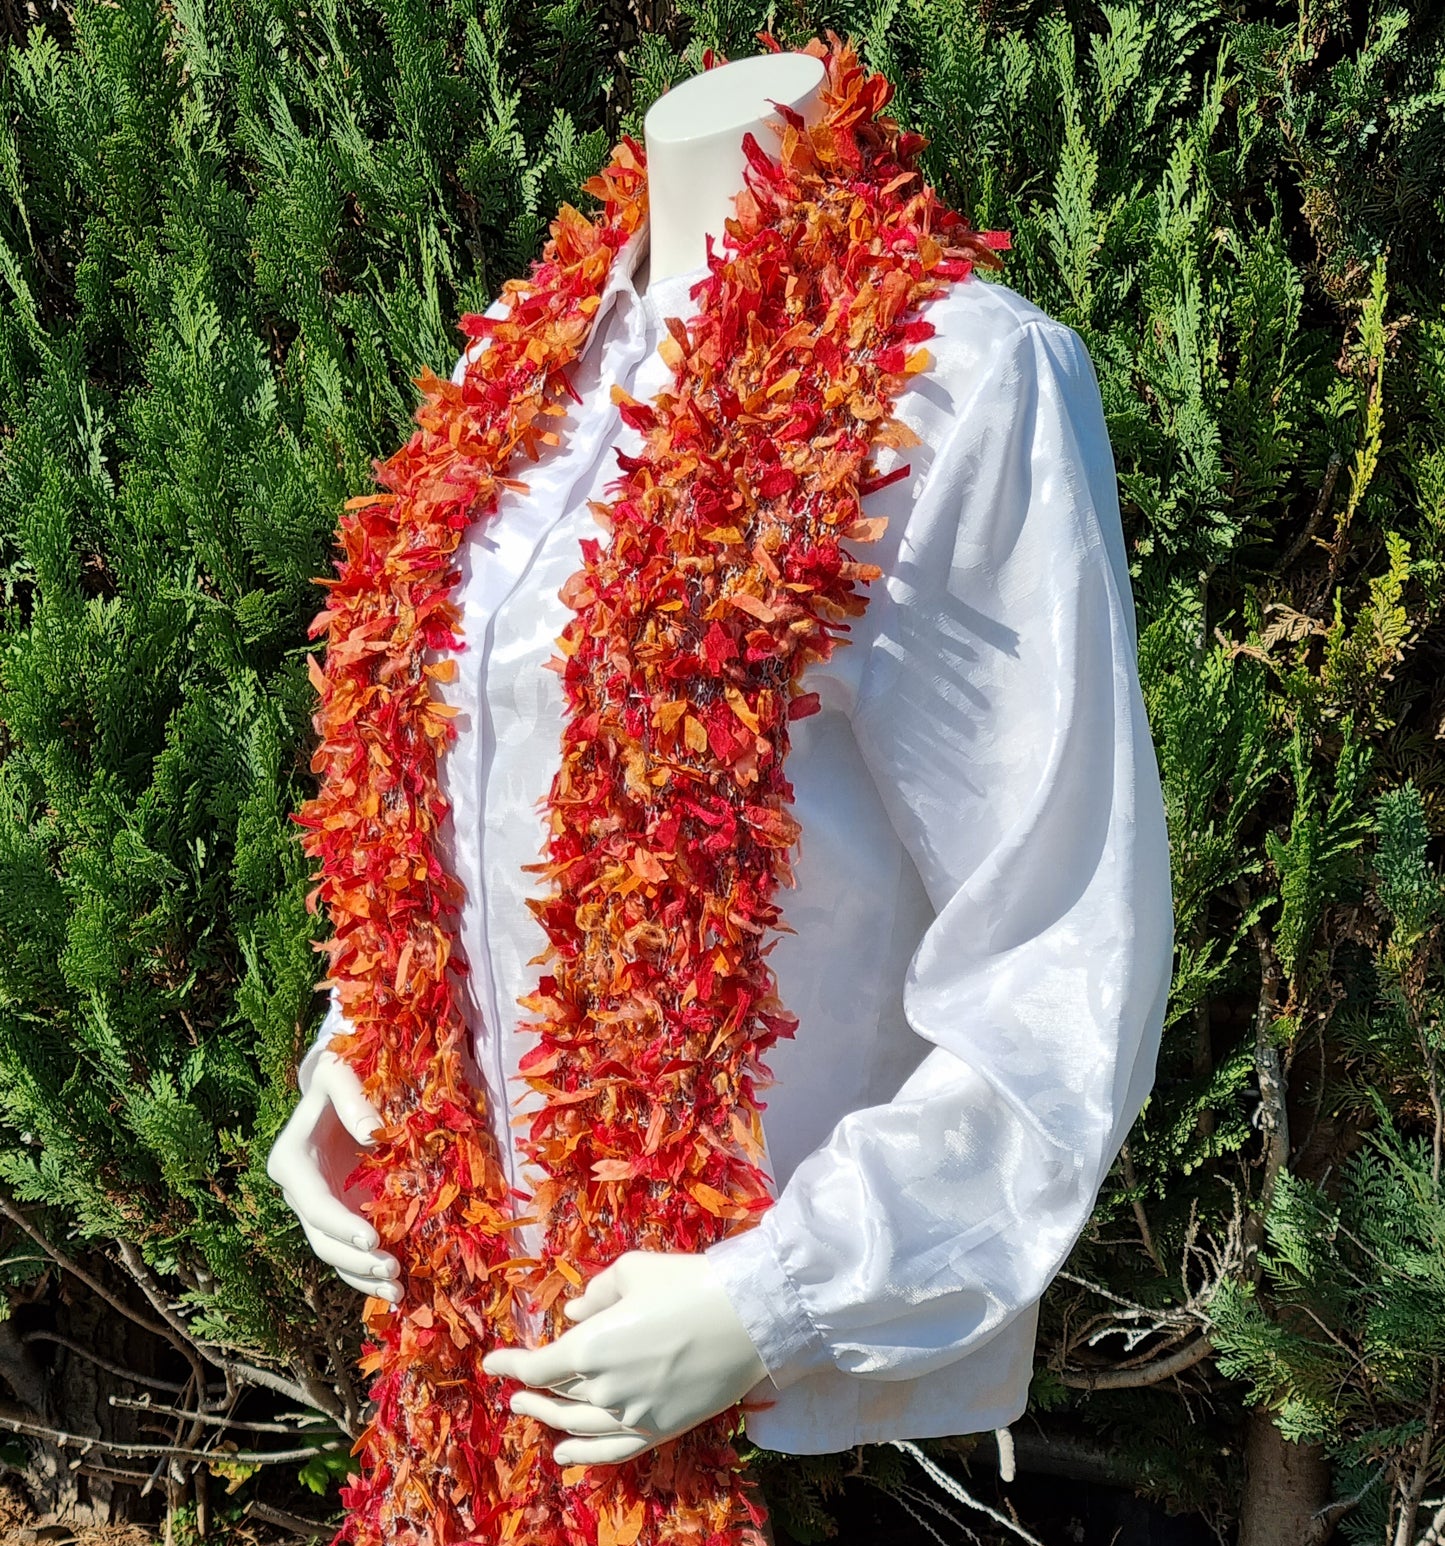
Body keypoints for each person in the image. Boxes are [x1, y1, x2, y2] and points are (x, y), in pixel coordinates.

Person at [266, 49, 1175, 1471]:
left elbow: (1056, 932)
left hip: (706, 1277)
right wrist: (349, 1065)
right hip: (467, 1271)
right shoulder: (518, 360)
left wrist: (779, 1294)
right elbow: (458, 787)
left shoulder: (958, 377)